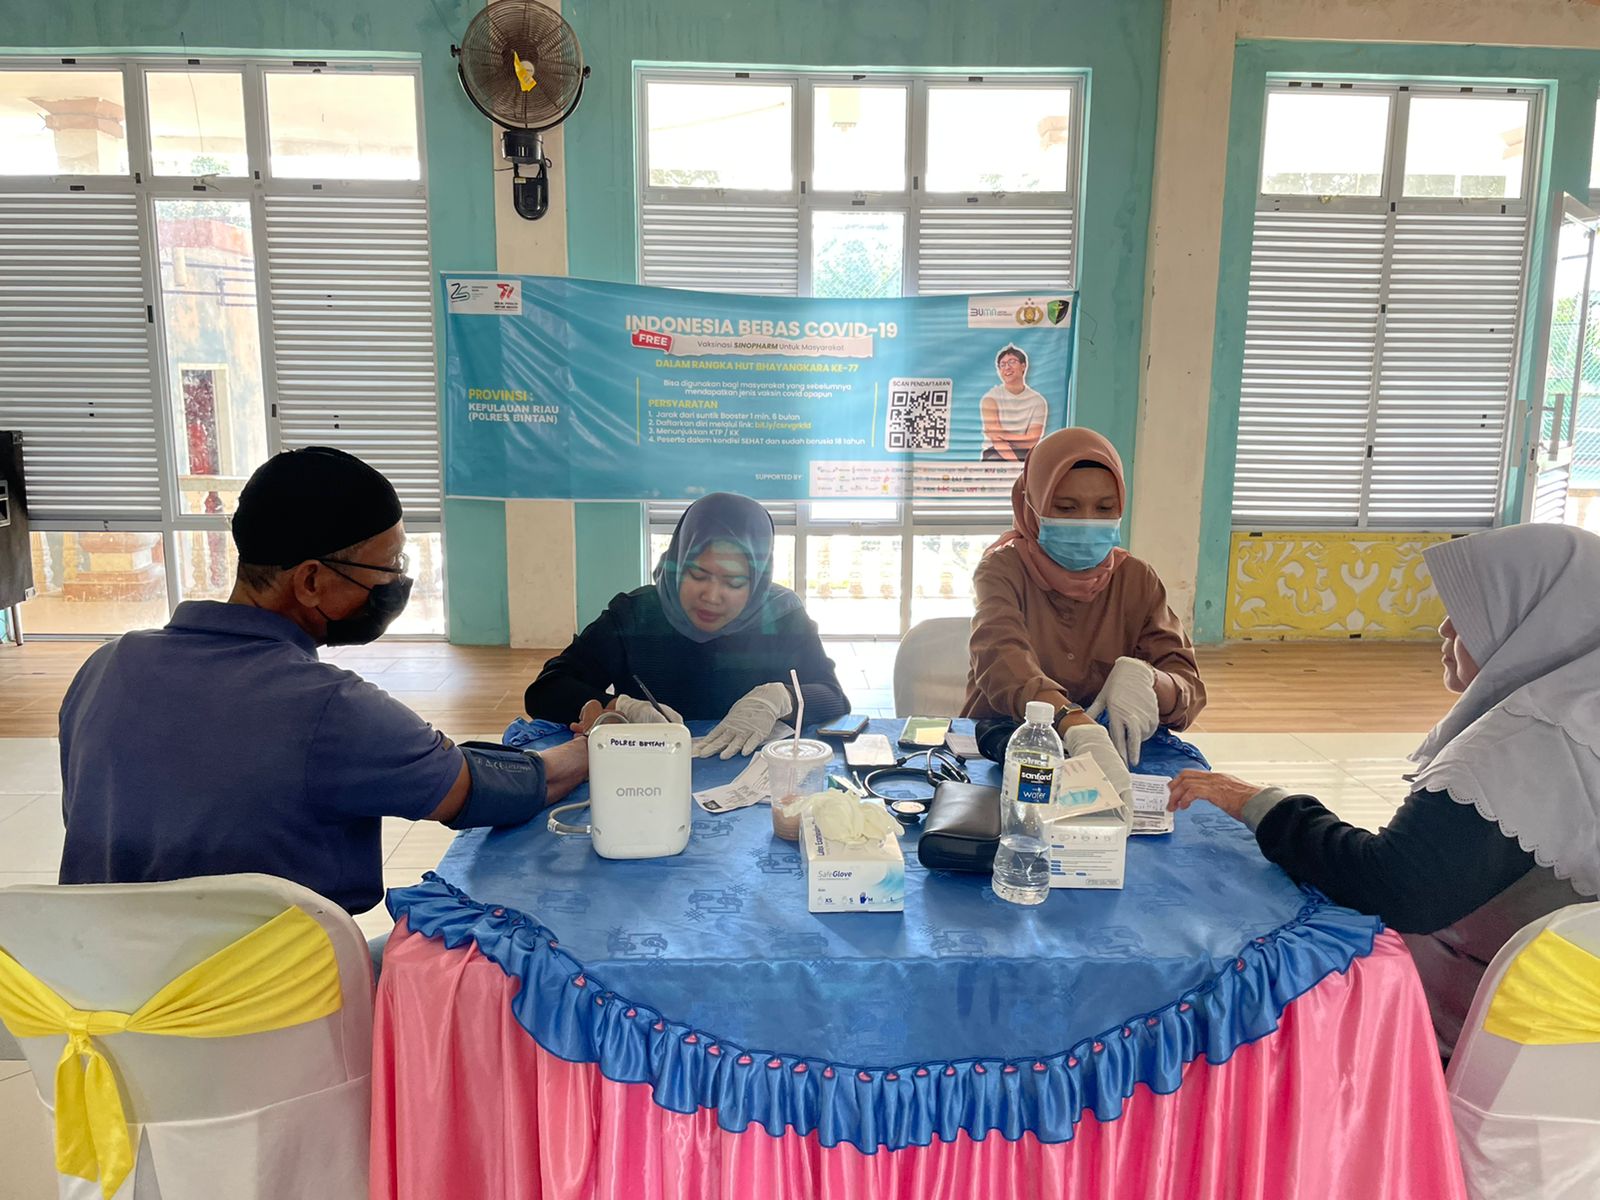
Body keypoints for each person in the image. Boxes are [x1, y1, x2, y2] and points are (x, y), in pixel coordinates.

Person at [57, 447, 587, 917]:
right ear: (310, 580)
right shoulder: (330, 708)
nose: (398, 582)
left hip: (87, 981)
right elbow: (491, 790)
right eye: (389, 566)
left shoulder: (105, 666)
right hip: (269, 988)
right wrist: (599, 744)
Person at [1168, 524, 1600, 1059]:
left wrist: (1257, 804)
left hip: (1492, 1037)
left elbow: (1390, 886)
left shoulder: (1526, 745)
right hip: (1565, 1027)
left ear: (1533, 625)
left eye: (1469, 613)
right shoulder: (1580, 716)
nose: (1444, 628)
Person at [524, 492, 849, 759]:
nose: (712, 596)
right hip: (651, 777)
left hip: (753, 783)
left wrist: (778, 698)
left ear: (758, 580)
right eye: (697, 574)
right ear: (677, 562)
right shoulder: (636, 615)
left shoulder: (781, 617)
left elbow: (833, 696)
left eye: (734, 582)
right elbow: (545, 690)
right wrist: (618, 706)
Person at [964, 427, 1205, 786]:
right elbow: (1001, 658)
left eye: (1105, 508)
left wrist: (1149, 681)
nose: (1087, 521)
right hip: (1005, 746)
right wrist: (1075, 724)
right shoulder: (1002, 570)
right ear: (1032, 504)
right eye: (1065, 508)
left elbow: (1188, 688)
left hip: (1120, 752)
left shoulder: (1136, 579)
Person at [980, 345, 1048, 462]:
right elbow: (996, 440)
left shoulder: (1038, 401)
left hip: (1026, 453)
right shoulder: (990, 398)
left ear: (1023, 366)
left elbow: (1031, 442)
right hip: (996, 452)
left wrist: (1003, 435)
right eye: (1002, 364)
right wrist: (1016, 465)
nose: (1007, 367)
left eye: (1012, 362)